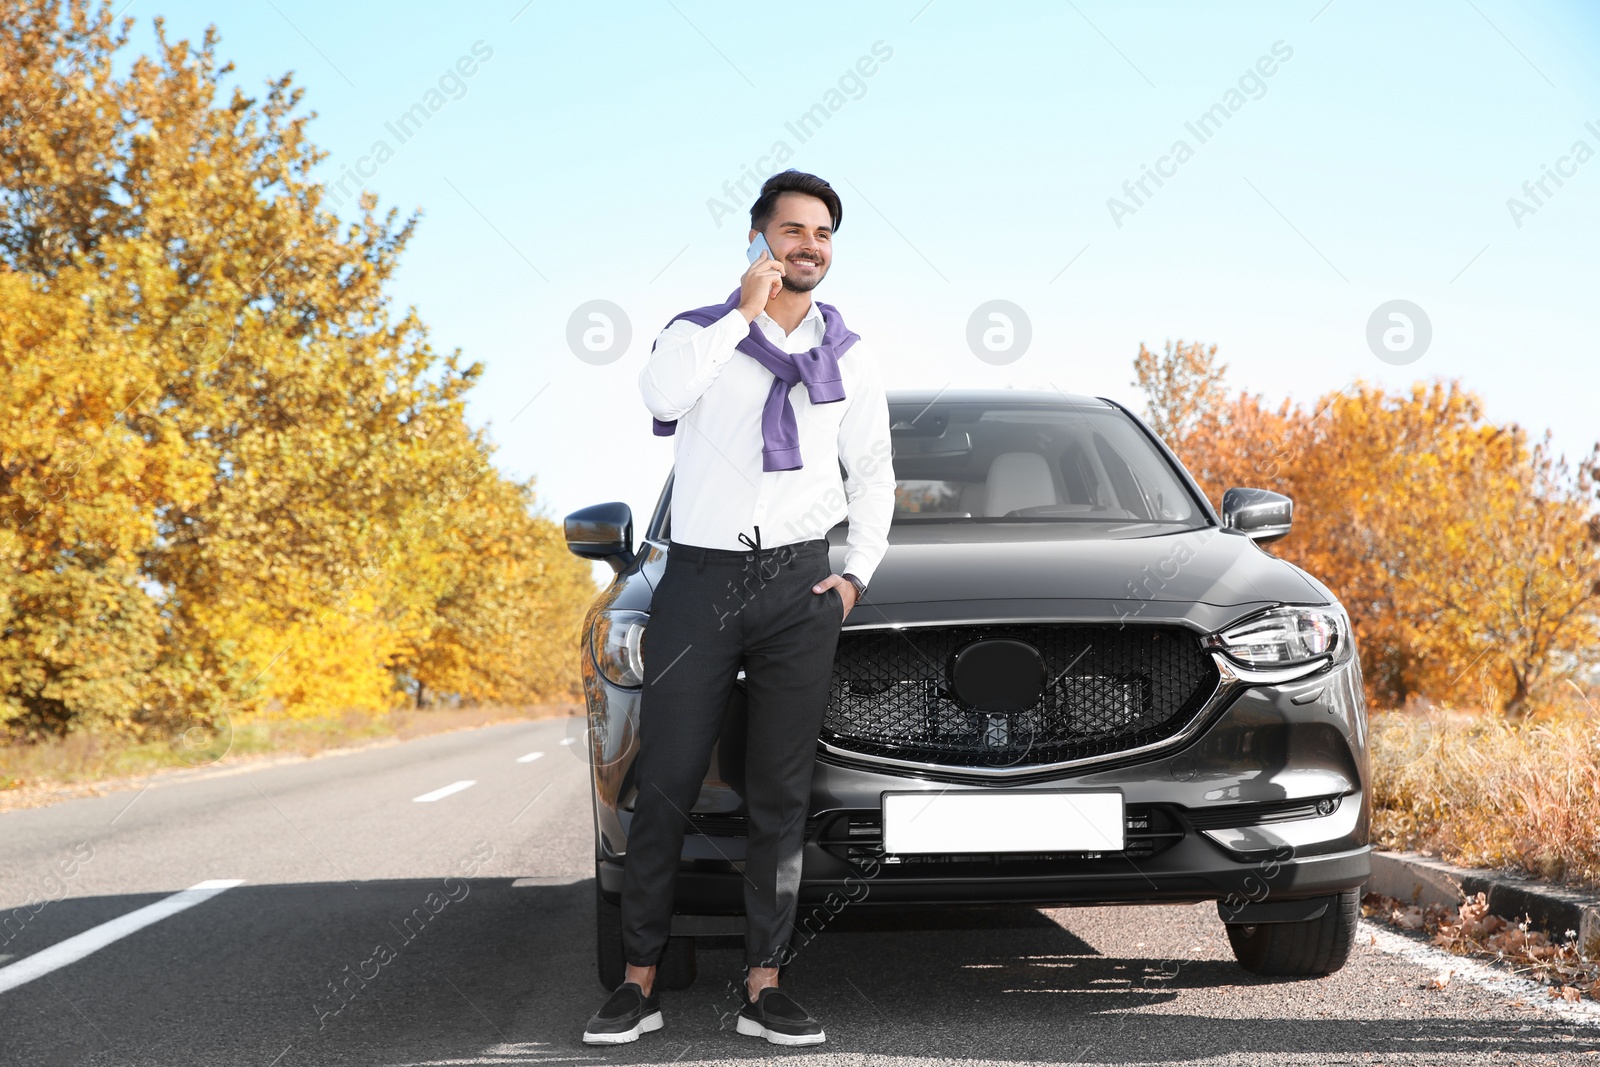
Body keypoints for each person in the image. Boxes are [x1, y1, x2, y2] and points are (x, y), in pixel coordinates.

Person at [582, 170, 894, 1046]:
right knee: (670, 781)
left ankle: (764, 983)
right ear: (758, 240)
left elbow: (873, 472)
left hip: (800, 586)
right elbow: (660, 396)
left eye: (822, 232)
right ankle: (638, 983)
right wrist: (739, 316)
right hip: (702, 580)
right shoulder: (697, 332)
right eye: (791, 230)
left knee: (779, 794)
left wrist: (854, 575)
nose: (808, 245)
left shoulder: (851, 353)